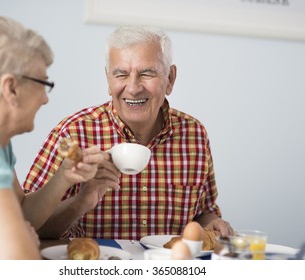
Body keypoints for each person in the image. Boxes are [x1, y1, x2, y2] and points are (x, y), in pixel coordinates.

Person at [23, 26, 234, 241]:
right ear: (108, 80)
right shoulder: (73, 133)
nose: (133, 88)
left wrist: (213, 223)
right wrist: (79, 204)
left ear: (170, 78)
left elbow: (204, 212)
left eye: (147, 73)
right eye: (121, 74)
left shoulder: (194, 135)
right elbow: (27, 226)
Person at [0, 15, 105, 260]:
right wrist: (24, 243)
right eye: (42, 82)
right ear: (11, 88)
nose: (45, 98)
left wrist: (64, 177)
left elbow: (22, 214)